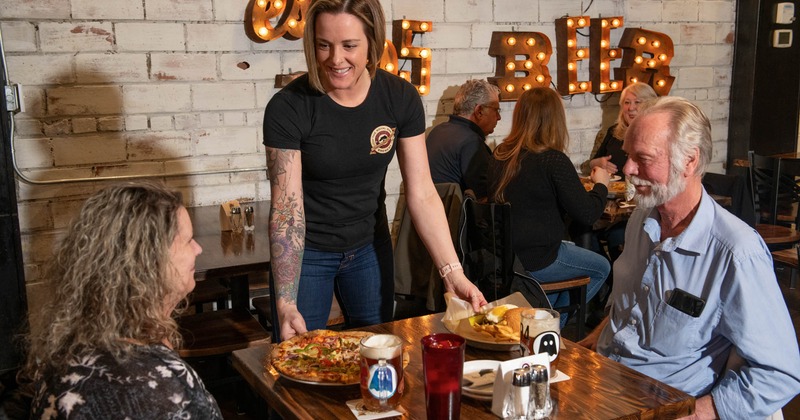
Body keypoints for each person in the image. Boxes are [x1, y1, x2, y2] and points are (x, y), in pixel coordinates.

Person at [262, 0, 486, 341]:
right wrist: (286, 302)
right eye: (324, 45)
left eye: (349, 46)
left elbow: (423, 193)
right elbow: (286, 209)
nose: (336, 59)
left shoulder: (399, 98)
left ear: (372, 44)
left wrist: (452, 272)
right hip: (308, 253)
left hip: (369, 248)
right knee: (298, 354)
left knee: (378, 354)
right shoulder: (289, 106)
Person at [579, 97, 800, 418]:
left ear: (689, 161)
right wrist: (593, 343)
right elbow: (633, 305)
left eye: (643, 158)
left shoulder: (736, 253)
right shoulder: (642, 219)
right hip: (605, 385)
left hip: (661, 406)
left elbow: (780, 373)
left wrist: (697, 413)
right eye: (628, 155)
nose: (627, 169)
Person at [20, 182, 222, 418]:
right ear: (150, 261)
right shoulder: (156, 387)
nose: (198, 249)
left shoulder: (75, 344)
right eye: (188, 240)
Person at [488, 87, 610, 327]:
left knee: (568, 254)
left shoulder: (500, 154)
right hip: (538, 259)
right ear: (555, 119)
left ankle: (542, 320)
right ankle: (551, 327)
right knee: (602, 267)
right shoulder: (552, 159)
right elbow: (587, 213)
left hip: (506, 257)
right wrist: (601, 185)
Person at [426, 79, 500, 200]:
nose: (499, 117)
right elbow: (484, 199)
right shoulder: (471, 142)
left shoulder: (436, 132)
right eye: (496, 110)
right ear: (479, 111)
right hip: (451, 212)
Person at [585, 82, 658, 176]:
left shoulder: (659, 135)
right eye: (627, 102)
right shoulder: (613, 131)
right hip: (611, 185)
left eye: (637, 102)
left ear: (650, 106)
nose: (631, 108)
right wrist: (596, 163)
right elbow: (591, 164)